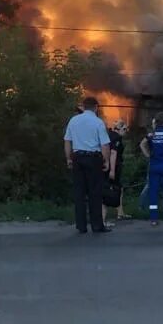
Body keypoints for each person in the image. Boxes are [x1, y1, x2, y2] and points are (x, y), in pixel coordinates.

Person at [64, 96, 112, 234]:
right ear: (96, 107)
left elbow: (67, 141)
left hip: (77, 158)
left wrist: (68, 158)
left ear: (83, 107)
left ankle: (81, 226)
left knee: (79, 193)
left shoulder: (73, 120)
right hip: (93, 159)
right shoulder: (98, 122)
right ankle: (97, 225)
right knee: (95, 193)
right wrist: (106, 161)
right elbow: (105, 145)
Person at [140, 112, 163, 226]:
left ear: (155, 122)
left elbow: (142, 144)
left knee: (153, 192)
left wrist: (148, 155)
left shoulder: (152, 134)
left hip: (154, 166)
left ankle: (153, 219)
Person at [103, 119, 131, 226]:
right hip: (113, 167)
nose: (126, 131)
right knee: (109, 189)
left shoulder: (109, 135)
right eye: (124, 129)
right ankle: (103, 219)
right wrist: (112, 170)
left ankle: (120, 212)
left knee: (119, 188)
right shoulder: (116, 138)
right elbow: (113, 153)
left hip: (108, 166)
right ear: (118, 129)